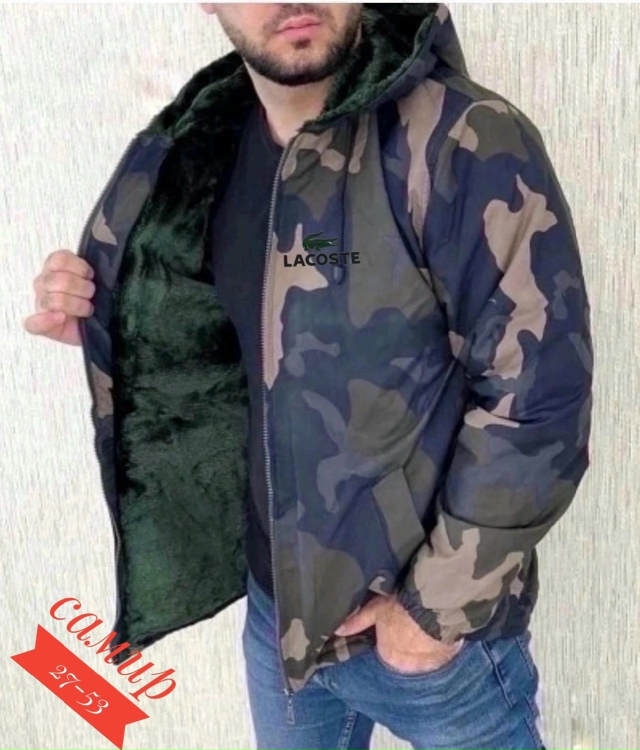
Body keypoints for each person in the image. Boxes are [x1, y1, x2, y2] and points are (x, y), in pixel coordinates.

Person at [24, 3, 593, 749]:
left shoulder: (464, 139)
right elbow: (232, 348)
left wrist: (432, 614)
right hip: (279, 622)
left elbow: (539, 398)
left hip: (434, 646)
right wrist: (112, 319)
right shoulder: (200, 150)